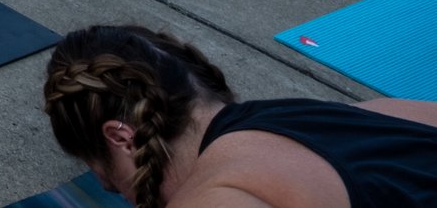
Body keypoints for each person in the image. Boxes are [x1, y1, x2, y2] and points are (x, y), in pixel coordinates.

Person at [41, 23, 437, 208]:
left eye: (111, 181)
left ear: (122, 138)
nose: (121, 194)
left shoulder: (221, 195)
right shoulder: (363, 116)